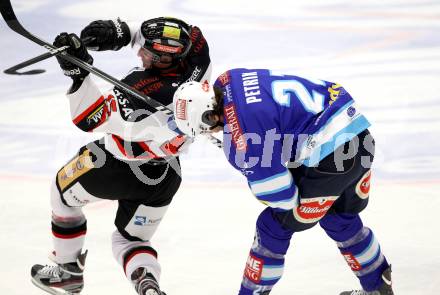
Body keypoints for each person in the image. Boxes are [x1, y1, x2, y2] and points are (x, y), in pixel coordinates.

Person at [30, 17, 211, 295]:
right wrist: (126, 34)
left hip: (112, 167)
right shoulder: (198, 67)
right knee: (131, 241)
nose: (140, 53)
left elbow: (88, 118)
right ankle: (148, 286)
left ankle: (67, 272)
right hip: (165, 177)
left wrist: (79, 73)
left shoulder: (139, 89)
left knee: (61, 193)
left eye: (146, 52)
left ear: (163, 60)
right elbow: (190, 33)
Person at [172, 69, 394, 295]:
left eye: (207, 128)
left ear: (210, 116)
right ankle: (379, 285)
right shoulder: (228, 78)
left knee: (273, 226)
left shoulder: (241, 141)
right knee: (339, 218)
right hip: (360, 137)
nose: (213, 133)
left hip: (332, 158)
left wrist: (256, 170)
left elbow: (282, 197)